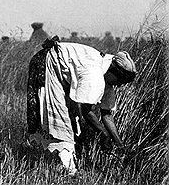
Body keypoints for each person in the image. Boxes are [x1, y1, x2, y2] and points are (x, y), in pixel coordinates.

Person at [26, 36, 136, 175]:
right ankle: (70, 171)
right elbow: (86, 110)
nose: (119, 85)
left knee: (72, 120)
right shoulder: (94, 74)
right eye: (120, 81)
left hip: (61, 72)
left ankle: (61, 163)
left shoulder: (106, 76)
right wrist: (104, 135)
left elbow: (107, 115)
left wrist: (120, 145)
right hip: (48, 63)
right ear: (113, 71)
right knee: (61, 121)